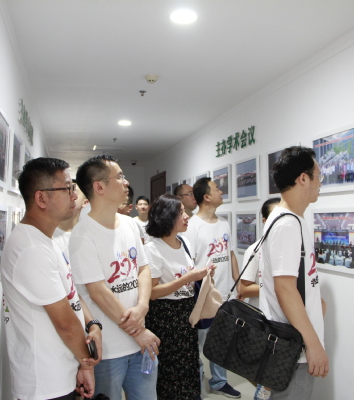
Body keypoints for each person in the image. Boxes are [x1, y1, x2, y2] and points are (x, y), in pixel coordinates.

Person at [1, 158, 101, 400]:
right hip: (45, 384)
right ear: (41, 198)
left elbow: (71, 293)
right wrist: (87, 363)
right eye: (67, 188)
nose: (74, 195)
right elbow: (65, 323)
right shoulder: (31, 248)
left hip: (62, 372)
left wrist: (92, 324)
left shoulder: (47, 239)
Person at [70, 155, 161, 400]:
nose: (126, 182)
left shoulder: (130, 224)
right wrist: (138, 332)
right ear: (99, 187)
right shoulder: (82, 234)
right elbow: (98, 291)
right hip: (108, 351)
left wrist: (142, 306)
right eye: (119, 176)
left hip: (140, 343)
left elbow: (143, 268)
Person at [259, 146, 328, 400]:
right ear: (303, 178)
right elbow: (285, 289)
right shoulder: (287, 224)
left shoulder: (289, 219)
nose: (320, 182)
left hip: (291, 344)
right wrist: (313, 343)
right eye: (318, 176)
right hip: (293, 350)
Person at [144, 195, 211, 400]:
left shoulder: (184, 242)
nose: (187, 216)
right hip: (165, 318)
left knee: (189, 368)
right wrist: (187, 278)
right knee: (169, 373)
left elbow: (188, 277)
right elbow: (152, 292)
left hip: (186, 315)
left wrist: (202, 274)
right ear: (167, 216)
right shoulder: (153, 248)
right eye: (181, 212)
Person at [182, 177, 241, 399]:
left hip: (226, 293)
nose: (221, 192)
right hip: (203, 295)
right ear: (206, 197)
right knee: (197, 342)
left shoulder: (224, 223)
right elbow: (188, 263)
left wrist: (238, 283)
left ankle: (219, 381)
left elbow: (230, 254)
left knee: (222, 341)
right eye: (217, 189)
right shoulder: (192, 226)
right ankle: (194, 383)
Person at [237, 197, 280, 400]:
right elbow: (243, 289)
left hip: (284, 323)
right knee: (261, 373)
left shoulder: (290, 249)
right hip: (261, 321)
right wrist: (276, 288)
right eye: (275, 215)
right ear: (264, 220)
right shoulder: (255, 250)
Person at [53, 180, 89, 255]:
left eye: (73, 191)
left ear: (85, 202)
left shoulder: (89, 235)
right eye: (65, 191)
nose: (69, 195)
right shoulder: (47, 233)